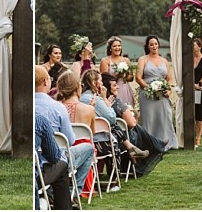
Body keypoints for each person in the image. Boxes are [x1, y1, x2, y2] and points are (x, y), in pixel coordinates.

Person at [35, 66, 94, 196]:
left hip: (37, 158)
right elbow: (70, 141)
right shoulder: (58, 108)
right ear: (45, 82)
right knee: (89, 148)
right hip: (56, 159)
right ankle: (75, 192)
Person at [100, 73, 166, 176]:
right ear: (107, 88)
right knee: (137, 128)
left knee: (137, 129)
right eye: (114, 85)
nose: (117, 86)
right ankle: (157, 145)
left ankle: (158, 144)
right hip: (120, 140)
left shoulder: (97, 102)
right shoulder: (117, 103)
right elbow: (131, 123)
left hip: (103, 140)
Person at [78, 69, 149, 160]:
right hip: (99, 141)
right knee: (114, 127)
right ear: (94, 82)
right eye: (100, 81)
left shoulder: (80, 98)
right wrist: (105, 100)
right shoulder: (96, 100)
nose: (102, 84)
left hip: (82, 138)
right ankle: (121, 166)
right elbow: (112, 118)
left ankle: (131, 148)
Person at [135, 35, 178, 151]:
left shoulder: (164, 60)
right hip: (148, 94)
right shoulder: (143, 59)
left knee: (164, 117)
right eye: (151, 44)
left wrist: (168, 90)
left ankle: (165, 143)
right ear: (148, 47)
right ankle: (149, 144)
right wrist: (149, 88)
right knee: (149, 118)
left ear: (158, 45)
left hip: (162, 94)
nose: (154, 46)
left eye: (155, 44)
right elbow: (138, 78)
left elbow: (169, 78)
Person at [35, 113, 72, 210]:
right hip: (35, 177)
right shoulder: (39, 119)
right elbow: (54, 156)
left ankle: (47, 197)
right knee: (63, 164)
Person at [99, 36, 134, 107]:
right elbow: (104, 80)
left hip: (125, 89)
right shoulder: (105, 61)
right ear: (110, 48)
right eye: (114, 46)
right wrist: (117, 76)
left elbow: (131, 78)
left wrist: (125, 76)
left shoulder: (126, 60)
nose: (117, 48)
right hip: (112, 91)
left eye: (119, 46)